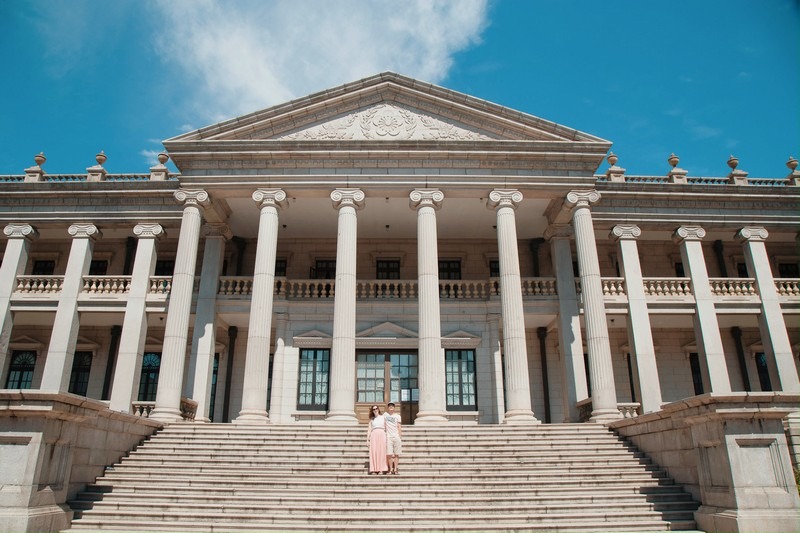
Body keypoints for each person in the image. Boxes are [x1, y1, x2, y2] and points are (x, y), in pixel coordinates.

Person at [366, 405, 388, 474]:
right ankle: (374, 469)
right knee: (374, 452)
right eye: (374, 409)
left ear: (378, 409)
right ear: (372, 411)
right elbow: (369, 430)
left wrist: (387, 437)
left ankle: (381, 469)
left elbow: (386, 427)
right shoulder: (372, 420)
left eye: (376, 408)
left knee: (381, 452)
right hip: (374, 435)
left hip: (382, 434)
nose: (375, 410)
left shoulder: (383, 417)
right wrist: (367, 440)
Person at [384, 402, 402, 475]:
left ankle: (395, 469)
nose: (391, 407)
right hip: (388, 437)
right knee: (389, 454)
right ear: (388, 408)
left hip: (396, 436)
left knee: (397, 454)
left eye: (392, 406)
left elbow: (399, 426)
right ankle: (390, 469)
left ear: (394, 408)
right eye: (389, 406)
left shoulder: (397, 416)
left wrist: (400, 436)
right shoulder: (385, 415)